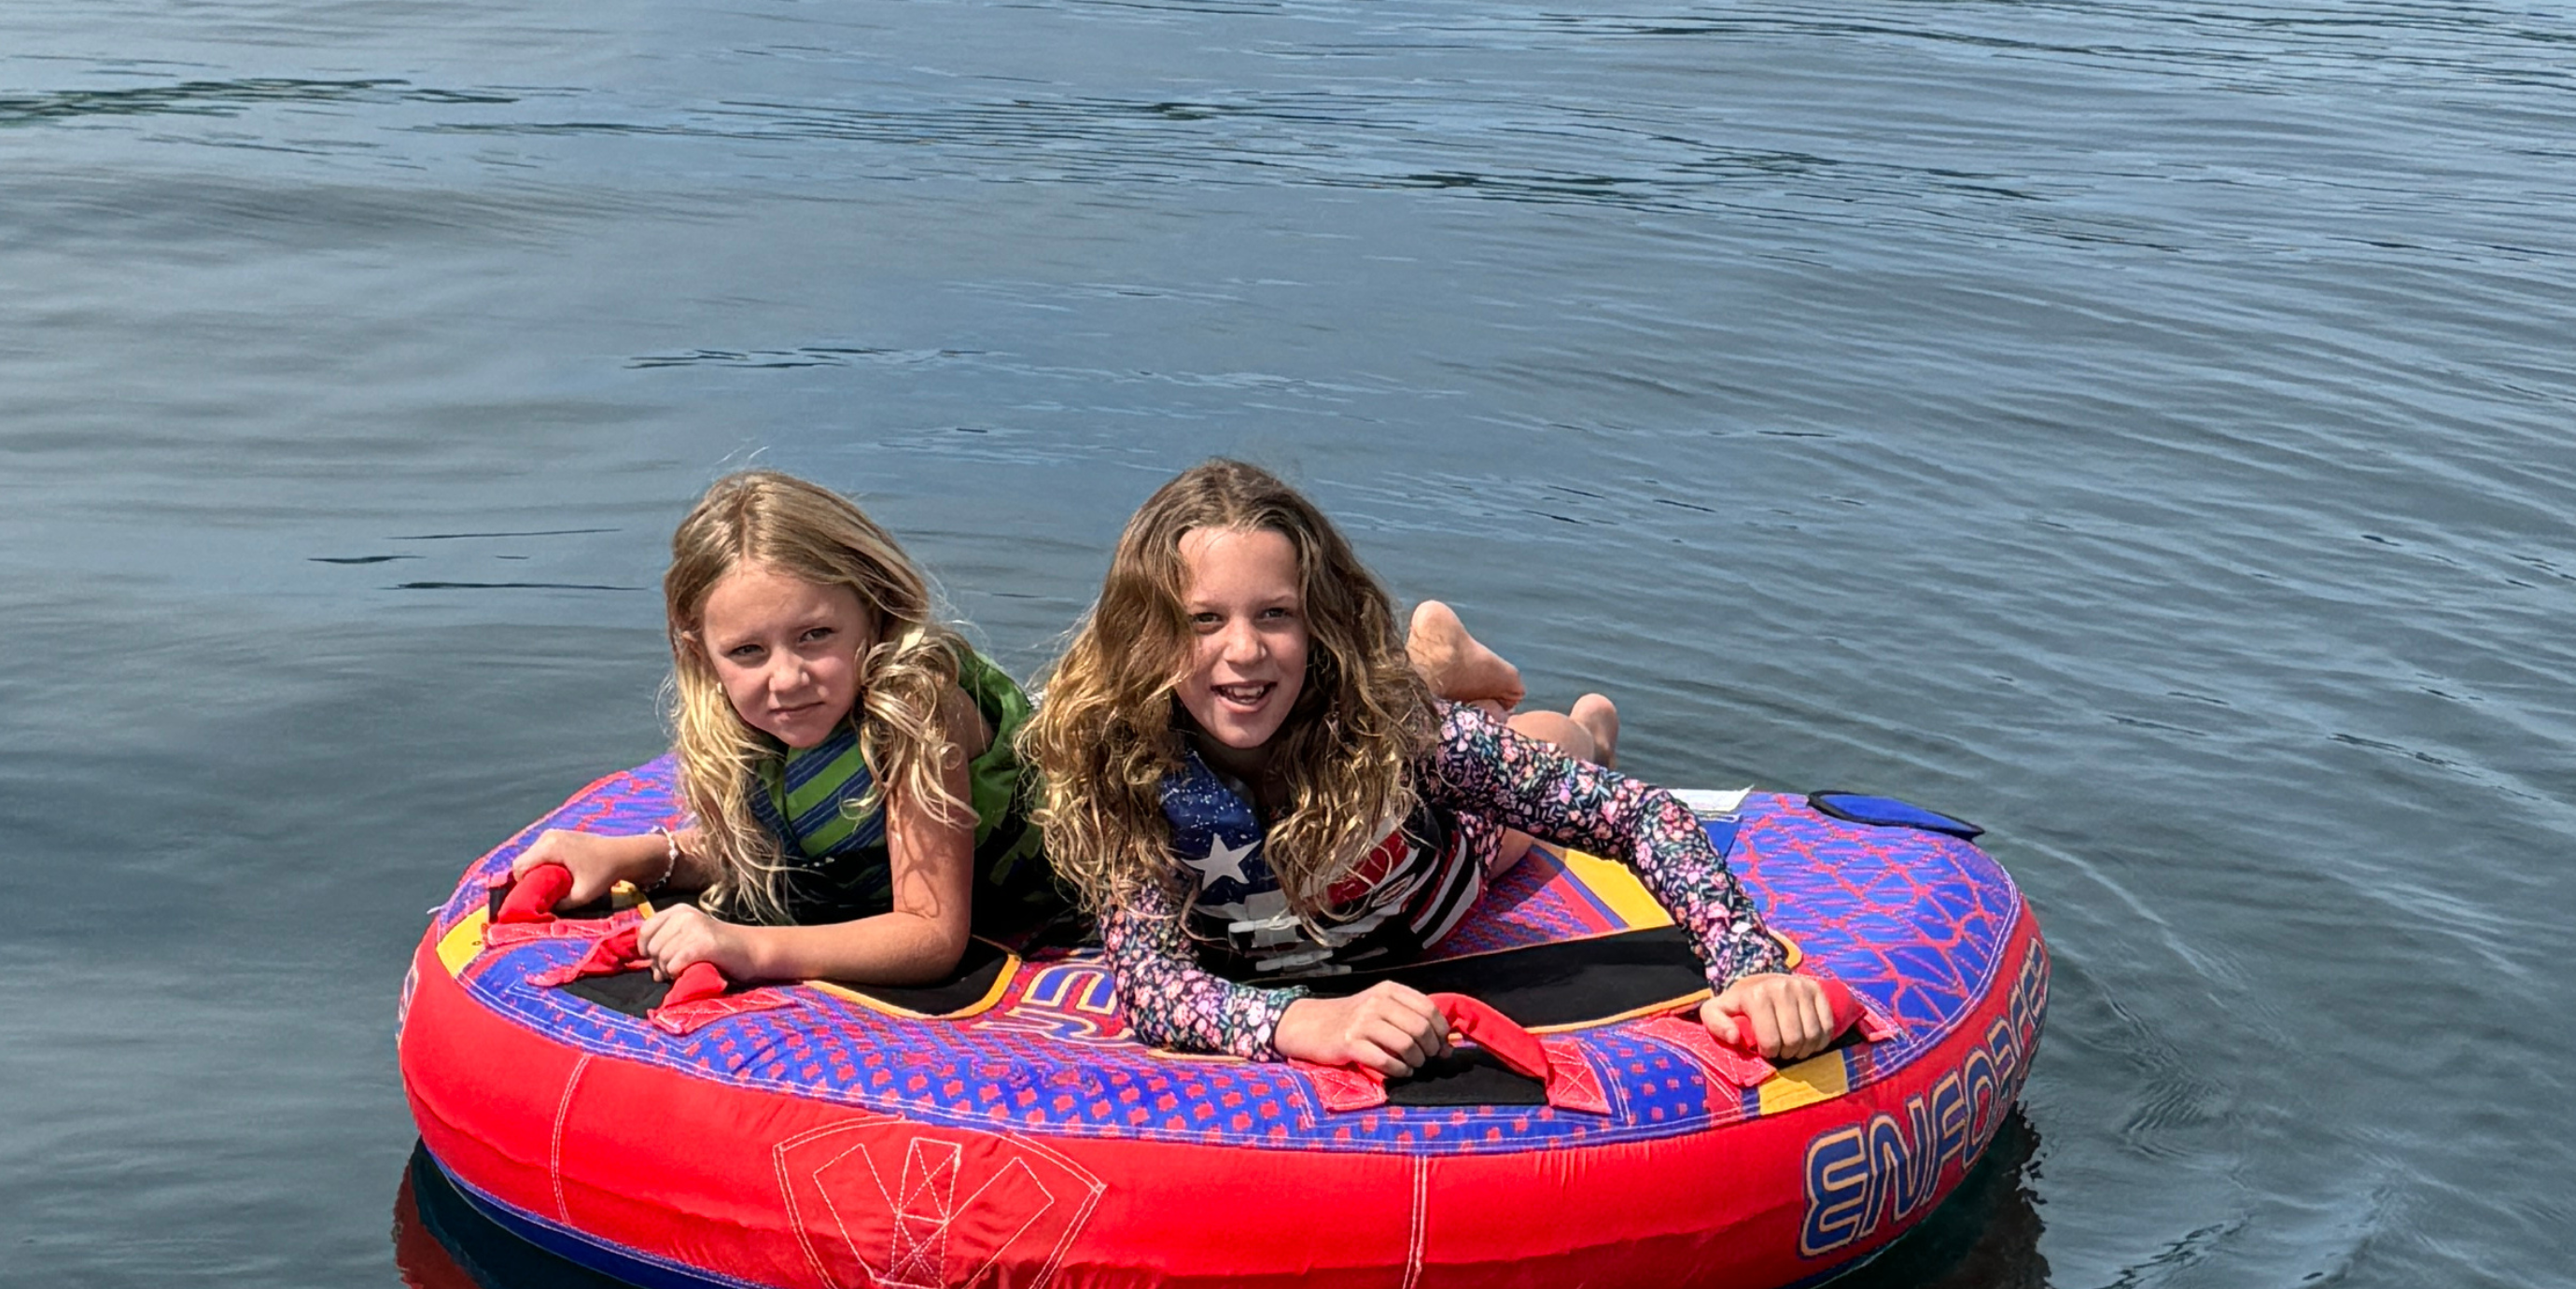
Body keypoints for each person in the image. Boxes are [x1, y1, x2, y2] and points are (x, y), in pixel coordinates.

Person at [1021, 458, 1839, 1078]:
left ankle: (1573, 717)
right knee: (1460, 729)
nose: (1242, 648)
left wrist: (1747, 966)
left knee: (1549, 746)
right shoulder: (1122, 766)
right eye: (1203, 619)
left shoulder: (1399, 739)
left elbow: (1638, 814)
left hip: (1433, 868)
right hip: (1287, 920)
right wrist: (1301, 1022)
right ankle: (1441, 664)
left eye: (1275, 614)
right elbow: (1153, 984)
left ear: (1319, 624)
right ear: (1146, 632)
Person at [509, 470, 1057, 985]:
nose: (788, 679)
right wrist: (638, 858)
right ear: (701, 653)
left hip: (1035, 892)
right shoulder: (739, 721)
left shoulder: (918, 710)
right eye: (747, 651)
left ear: (876, 612)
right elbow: (789, 852)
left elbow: (930, 936)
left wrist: (748, 948)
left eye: (815, 635)